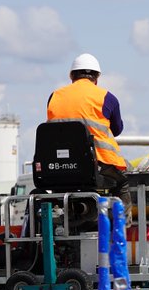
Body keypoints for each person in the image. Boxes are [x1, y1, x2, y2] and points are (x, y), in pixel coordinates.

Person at [46, 52, 127, 193]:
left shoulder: (54, 96)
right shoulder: (107, 98)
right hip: (98, 164)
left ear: (72, 77)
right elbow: (117, 129)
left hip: (58, 165)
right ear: (97, 78)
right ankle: (120, 209)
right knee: (124, 182)